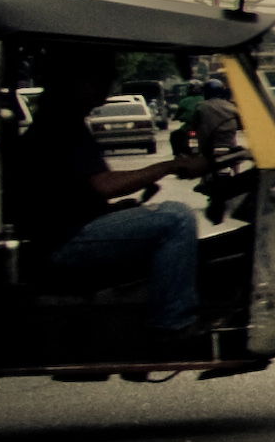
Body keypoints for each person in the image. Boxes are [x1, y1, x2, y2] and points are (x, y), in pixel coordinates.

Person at [16, 52, 217, 345]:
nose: (107, 87)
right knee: (177, 218)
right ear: (78, 82)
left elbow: (74, 194)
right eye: (101, 79)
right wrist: (171, 165)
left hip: (70, 229)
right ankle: (172, 324)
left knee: (160, 216)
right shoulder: (60, 126)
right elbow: (105, 185)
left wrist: (114, 210)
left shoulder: (64, 122)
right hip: (62, 243)